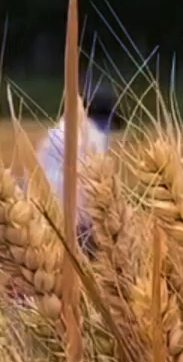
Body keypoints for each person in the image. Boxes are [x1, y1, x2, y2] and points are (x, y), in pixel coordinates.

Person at [35, 84, 122, 256]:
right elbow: (90, 184)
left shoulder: (57, 130)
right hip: (74, 218)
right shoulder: (94, 135)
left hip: (42, 210)